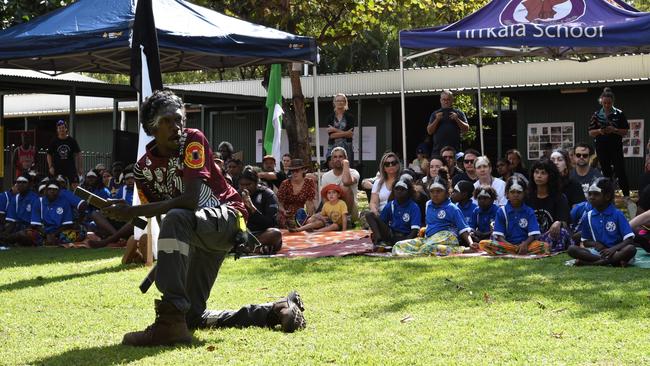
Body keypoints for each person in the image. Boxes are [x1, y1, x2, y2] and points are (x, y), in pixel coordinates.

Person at [101, 90, 305, 347]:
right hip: (192, 231)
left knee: (177, 217)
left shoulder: (192, 140)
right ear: (151, 126)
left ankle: (168, 323)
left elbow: (191, 200)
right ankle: (275, 310)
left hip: (226, 219)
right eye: (168, 121)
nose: (177, 127)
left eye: (179, 119)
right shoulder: (142, 170)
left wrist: (132, 212)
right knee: (191, 317)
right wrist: (170, 258)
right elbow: (158, 215)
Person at [392, 171, 475, 256]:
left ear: (446, 193)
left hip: (447, 236)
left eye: (439, 191)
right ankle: (419, 252)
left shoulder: (452, 208)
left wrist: (471, 243)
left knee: (427, 248)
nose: (435, 194)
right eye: (432, 191)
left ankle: (462, 250)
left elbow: (463, 230)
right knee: (398, 246)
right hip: (429, 239)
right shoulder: (428, 204)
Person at [567, 177, 636, 266]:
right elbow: (585, 241)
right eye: (590, 194)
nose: (591, 197)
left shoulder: (617, 214)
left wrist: (612, 249)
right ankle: (612, 261)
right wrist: (596, 244)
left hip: (617, 250)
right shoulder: (588, 216)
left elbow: (629, 240)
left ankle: (592, 263)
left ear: (607, 196)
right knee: (572, 249)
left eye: (596, 194)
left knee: (631, 249)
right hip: (599, 252)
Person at [588, 87, 635, 214]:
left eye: (609, 103)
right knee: (606, 173)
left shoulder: (619, 114)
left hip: (615, 147)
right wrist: (600, 131)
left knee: (620, 170)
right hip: (602, 147)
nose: (607, 105)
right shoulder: (596, 115)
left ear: (612, 102)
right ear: (601, 102)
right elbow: (591, 132)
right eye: (605, 103)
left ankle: (626, 197)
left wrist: (614, 130)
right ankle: (609, 198)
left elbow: (625, 131)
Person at [479, 176, 550, 256]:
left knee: (544, 246)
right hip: (507, 245)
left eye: (519, 192)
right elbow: (499, 236)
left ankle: (515, 251)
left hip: (526, 245)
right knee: (483, 244)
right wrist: (511, 246)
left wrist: (525, 244)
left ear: (524, 193)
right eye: (512, 192)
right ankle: (514, 250)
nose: (515, 195)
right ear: (507, 193)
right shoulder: (501, 211)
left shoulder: (529, 211)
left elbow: (533, 235)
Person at [527, 159, 572, 253]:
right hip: (531, 237)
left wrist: (558, 222)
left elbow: (565, 222)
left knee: (562, 232)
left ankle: (544, 248)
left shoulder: (559, 197)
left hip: (550, 236)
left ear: (550, 176)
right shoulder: (527, 196)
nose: (539, 176)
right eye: (536, 172)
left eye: (543, 173)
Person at [366, 175, 420, 252]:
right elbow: (382, 222)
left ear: (408, 192)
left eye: (402, 189)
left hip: (405, 237)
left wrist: (404, 243)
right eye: (397, 189)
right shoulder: (391, 204)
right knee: (369, 215)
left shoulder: (414, 207)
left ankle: (389, 245)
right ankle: (380, 241)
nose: (399, 191)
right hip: (391, 234)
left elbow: (415, 230)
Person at [237, 167, 283, 255]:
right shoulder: (236, 194)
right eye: (242, 185)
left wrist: (251, 207)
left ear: (256, 183)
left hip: (262, 233)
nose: (244, 188)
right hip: (243, 233)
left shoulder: (267, 194)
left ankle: (245, 248)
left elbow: (270, 223)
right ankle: (258, 249)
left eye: (248, 184)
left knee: (276, 234)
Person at [32, 179, 85, 246]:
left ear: (59, 191)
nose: (52, 191)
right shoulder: (38, 202)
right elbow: (35, 224)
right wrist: (46, 234)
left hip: (59, 232)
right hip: (43, 231)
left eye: (55, 189)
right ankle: (49, 241)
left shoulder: (64, 203)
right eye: (49, 189)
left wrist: (54, 234)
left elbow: (67, 224)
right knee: (28, 234)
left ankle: (49, 242)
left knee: (80, 234)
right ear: (45, 190)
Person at [320, 146, 360, 222]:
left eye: (340, 157)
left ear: (346, 158)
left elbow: (346, 181)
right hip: (333, 210)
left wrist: (345, 164)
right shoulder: (326, 176)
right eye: (335, 157)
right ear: (331, 160)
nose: (338, 159)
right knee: (325, 191)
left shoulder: (354, 173)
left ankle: (347, 219)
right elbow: (324, 197)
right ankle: (330, 218)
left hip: (350, 211)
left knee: (345, 188)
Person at [426, 90, 469, 157]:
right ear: (440, 100)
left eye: (448, 99)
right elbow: (429, 131)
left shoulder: (458, 113)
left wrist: (457, 119)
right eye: (444, 99)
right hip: (438, 151)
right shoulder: (435, 114)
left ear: (452, 100)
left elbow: (466, 130)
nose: (446, 102)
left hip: (455, 151)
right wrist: (437, 120)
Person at [1, 175, 42, 246]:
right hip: (17, 228)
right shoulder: (15, 199)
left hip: (33, 229)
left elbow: (35, 224)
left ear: (29, 184)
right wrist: (5, 233)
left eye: (24, 182)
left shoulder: (35, 199)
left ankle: (9, 241)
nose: (20, 185)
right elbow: (11, 222)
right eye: (18, 182)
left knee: (24, 234)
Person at [277, 159, 317, 229]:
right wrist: (284, 211)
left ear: (303, 170)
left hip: (302, 214)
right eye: (292, 171)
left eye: (297, 170)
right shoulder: (285, 183)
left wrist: (308, 217)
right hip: (287, 215)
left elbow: (310, 202)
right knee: (285, 222)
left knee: (312, 222)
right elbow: (279, 203)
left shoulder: (309, 182)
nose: (294, 173)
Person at [47, 119, 82, 185]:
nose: (61, 130)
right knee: (57, 185)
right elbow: (49, 154)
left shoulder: (71, 140)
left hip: (70, 168)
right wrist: (50, 167)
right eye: (59, 128)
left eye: (63, 128)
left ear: (66, 129)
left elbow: (78, 153)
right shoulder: (54, 141)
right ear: (57, 130)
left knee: (75, 185)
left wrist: (80, 167)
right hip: (58, 168)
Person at [369, 152, 402, 216]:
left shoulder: (403, 180)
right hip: (382, 214)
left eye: (393, 163)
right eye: (387, 164)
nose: (390, 165)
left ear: (398, 165)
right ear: (383, 167)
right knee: (369, 215)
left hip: (399, 214)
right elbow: (373, 203)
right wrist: (376, 213)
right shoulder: (378, 183)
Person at [326, 93, 355, 161]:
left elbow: (350, 135)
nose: (340, 102)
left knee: (346, 166)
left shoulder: (350, 117)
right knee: (332, 167)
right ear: (334, 103)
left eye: (342, 100)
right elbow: (332, 136)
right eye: (338, 101)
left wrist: (334, 129)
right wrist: (346, 133)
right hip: (333, 147)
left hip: (347, 147)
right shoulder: (330, 117)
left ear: (345, 102)